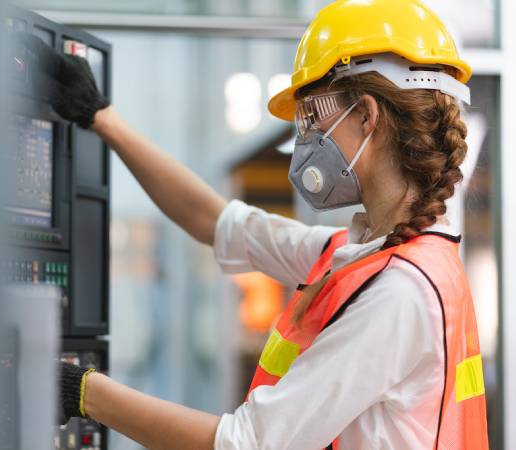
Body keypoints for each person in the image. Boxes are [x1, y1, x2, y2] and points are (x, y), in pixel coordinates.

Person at [25, 0, 489, 448]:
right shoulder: (370, 258)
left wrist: (81, 391)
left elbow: (247, 443)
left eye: (312, 116)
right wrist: (101, 118)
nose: (306, 138)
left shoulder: (397, 292)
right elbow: (217, 222)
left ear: (367, 115)